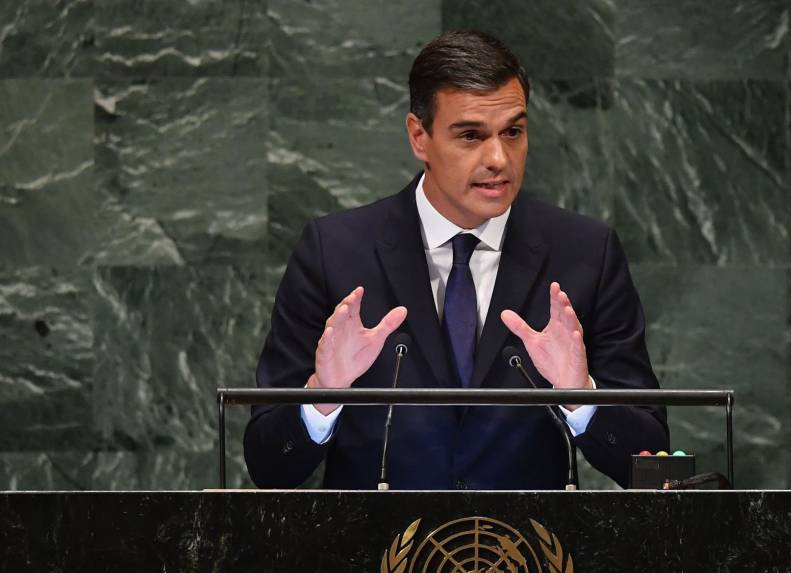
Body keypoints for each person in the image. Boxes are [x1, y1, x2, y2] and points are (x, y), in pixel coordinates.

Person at [244, 30, 668, 489]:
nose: (499, 159)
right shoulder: (334, 251)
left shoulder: (585, 253)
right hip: (374, 555)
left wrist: (581, 396)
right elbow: (268, 465)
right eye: (470, 135)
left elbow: (649, 463)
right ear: (418, 136)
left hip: (529, 554)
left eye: (514, 132)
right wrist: (322, 397)